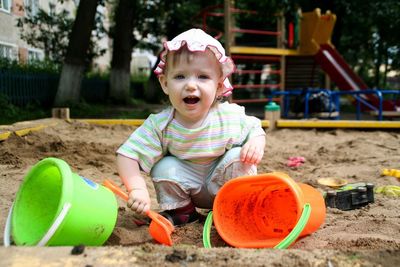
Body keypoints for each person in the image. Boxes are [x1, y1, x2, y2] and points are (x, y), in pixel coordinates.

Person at [116, 28, 266, 226]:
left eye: (203, 77)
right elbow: (127, 154)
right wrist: (137, 188)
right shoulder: (160, 124)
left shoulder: (228, 115)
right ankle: (183, 213)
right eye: (180, 77)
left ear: (219, 86)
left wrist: (255, 143)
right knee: (163, 167)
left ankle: (237, 208)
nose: (190, 85)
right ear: (165, 83)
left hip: (224, 184)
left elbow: (255, 129)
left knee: (239, 157)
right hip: (186, 187)